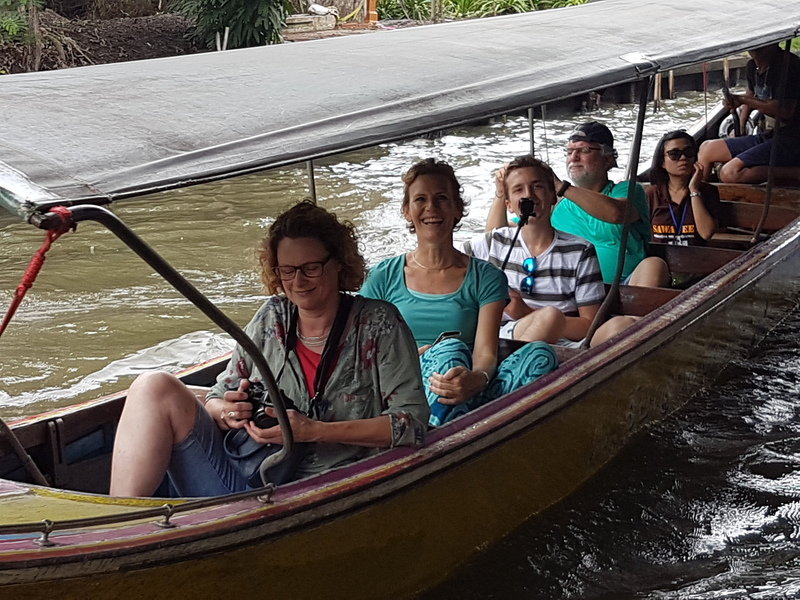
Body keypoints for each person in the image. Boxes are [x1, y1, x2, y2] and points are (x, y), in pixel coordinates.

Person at [110, 200, 429, 498]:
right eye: (286, 270)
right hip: (249, 481)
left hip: (333, 488)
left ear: (338, 265)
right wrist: (231, 412)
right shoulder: (272, 317)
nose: (298, 281)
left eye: (311, 268)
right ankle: (118, 525)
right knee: (152, 386)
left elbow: (411, 424)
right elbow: (218, 398)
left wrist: (315, 431)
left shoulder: (378, 323)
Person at [360, 158, 558, 427]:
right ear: (407, 211)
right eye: (420, 200)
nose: (431, 208)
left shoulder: (486, 276)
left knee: (541, 354)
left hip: (465, 381)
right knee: (448, 350)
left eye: (441, 198)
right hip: (403, 385)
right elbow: (361, 351)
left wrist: (477, 379)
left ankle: (458, 424)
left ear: (456, 208)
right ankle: (445, 429)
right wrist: (412, 356)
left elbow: (485, 353)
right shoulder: (383, 276)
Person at [491, 121, 669, 287]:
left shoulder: (628, 190)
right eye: (569, 152)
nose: (574, 158)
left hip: (625, 288)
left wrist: (560, 187)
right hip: (570, 288)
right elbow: (496, 236)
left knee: (654, 265)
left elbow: (616, 213)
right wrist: (501, 192)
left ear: (607, 159)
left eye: (584, 151)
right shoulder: (555, 203)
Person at [464, 155, 605, 346]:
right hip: (501, 339)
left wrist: (527, 313)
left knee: (553, 318)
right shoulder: (493, 242)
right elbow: (448, 268)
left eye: (537, 186)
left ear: (552, 196)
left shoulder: (580, 250)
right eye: (518, 189)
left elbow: (590, 325)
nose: (528, 195)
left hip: (561, 343)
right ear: (508, 205)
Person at [697, 44, 800, 184]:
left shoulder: (789, 66)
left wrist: (742, 100)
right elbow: (750, 93)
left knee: (729, 173)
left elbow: (786, 110)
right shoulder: (752, 66)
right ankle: (698, 196)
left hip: (793, 139)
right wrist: (741, 125)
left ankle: (794, 173)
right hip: (772, 134)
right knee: (706, 149)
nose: (756, 48)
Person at [648, 130, 721, 247]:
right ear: (662, 162)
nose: (683, 158)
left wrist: (694, 190)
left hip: (695, 259)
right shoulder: (652, 194)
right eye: (674, 154)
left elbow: (706, 233)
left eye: (688, 152)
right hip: (660, 260)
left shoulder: (707, 191)